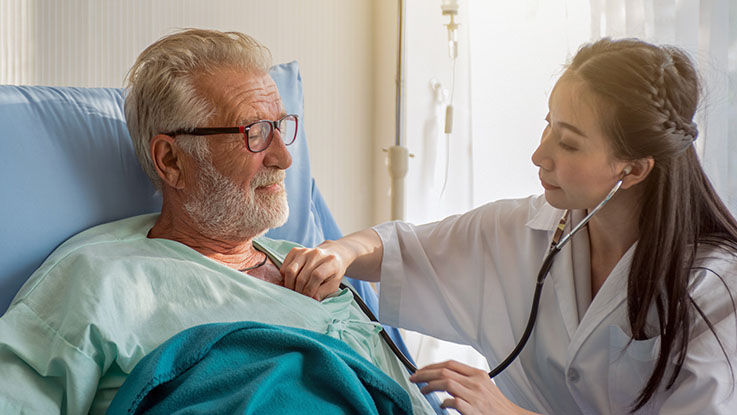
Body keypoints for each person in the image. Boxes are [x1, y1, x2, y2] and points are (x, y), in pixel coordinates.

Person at [282, 38, 737, 414]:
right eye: (548, 125)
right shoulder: (522, 228)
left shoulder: (716, 289)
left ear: (633, 170)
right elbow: (407, 251)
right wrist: (342, 252)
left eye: (569, 143)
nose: (540, 155)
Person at [0, 29, 435, 414]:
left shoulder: (318, 270)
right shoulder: (97, 277)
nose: (283, 158)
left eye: (280, 127)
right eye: (254, 133)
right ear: (171, 160)